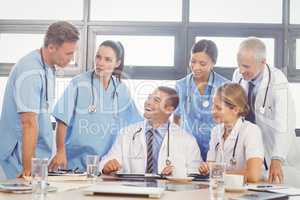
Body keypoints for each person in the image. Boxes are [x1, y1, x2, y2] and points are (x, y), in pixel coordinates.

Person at [0, 21, 79, 179]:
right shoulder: (30, 71)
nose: (72, 58)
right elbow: (28, 123)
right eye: (68, 53)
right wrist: (29, 171)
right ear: (51, 47)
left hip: (35, 158)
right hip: (17, 160)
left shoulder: (49, 68)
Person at [49, 40, 142, 172]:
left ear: (117, 63)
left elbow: (136, 125)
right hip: (75, 163)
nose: (100, 63)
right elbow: (62, 119)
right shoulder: (78, 83)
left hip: (106, 166)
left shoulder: (121, 90)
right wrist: (60, 151)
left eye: (107, 59)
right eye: (98, 57)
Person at [232, 37, 300, 185]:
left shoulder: (278, 82)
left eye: (246, 66)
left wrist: (277, 158)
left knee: (277, 189)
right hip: (252, 147)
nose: (241, 70)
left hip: (274, 150)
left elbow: (285, 124)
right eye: (239, 65)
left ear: (263, 62)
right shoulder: (238, 75)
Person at [99, 87, 202, 176]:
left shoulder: (187, 140)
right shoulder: (126, 133)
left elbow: (196, 171)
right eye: (149, 98)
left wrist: (178, 172)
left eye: (156, 100)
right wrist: (106, 167)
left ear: (169, 110)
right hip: (135, 193)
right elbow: (106, 162)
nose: (148, 102)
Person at [174, 39, 228, 161]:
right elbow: (176, 119)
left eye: (202, 64)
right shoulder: (181, 86)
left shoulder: (225, 85)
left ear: (213, 63)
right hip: (188, 150)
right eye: (193, 61)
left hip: (217, 149)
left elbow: (230, 120)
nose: (196, 67)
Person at [198, 83, 264, 183]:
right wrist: (206, 169)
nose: (213, 111)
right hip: (222, 189)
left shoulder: (251, 131)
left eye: (218, 108)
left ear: (236, 109)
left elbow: (253, 175)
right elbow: (211, 167)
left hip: (247, 192)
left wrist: (218, 175)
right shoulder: (216, 131)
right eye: (213, 106)